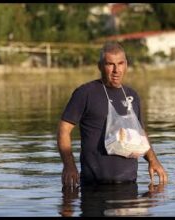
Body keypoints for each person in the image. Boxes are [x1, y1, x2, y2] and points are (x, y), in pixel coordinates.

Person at [57, 41, 168, 187]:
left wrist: (153, 161)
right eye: (110, 64)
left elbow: (140, 133)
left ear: (126, 65)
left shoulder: (132, 95)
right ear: (100, 66)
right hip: (94, 186)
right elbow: (63, 130)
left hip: (129, 185)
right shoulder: (85, 93)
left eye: (120, 63)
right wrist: (69, 165)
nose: (116, 70)